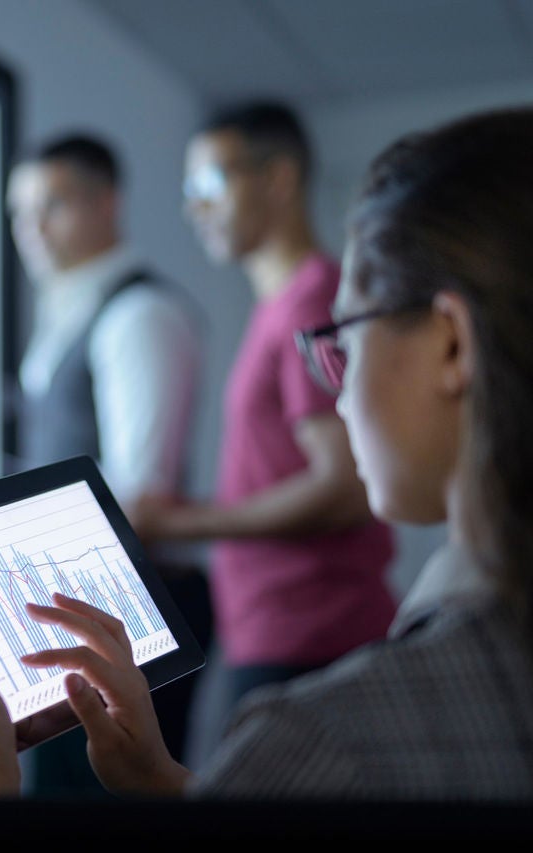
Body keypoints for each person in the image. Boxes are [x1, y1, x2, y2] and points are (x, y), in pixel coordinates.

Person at [0, 103, 533, 800]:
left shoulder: (321, 738)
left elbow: (334, 491)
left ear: (451, 343)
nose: (341, 392)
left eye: (344, 339)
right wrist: (162, 779)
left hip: (297, 622)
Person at [127, 101, 396, 755]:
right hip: (272, 629)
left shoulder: (311, 302)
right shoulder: (283, 305)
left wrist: (174, 522)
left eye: (211, 185)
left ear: (277, 178)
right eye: (189, 192)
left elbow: (344, 487)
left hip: (311, 634)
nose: (196, 209)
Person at [4, 133, 210, 793]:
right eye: (19, 211)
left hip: (129, 617)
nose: (30, 228)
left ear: (106, 204)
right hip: (83, 614)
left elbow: (139, 494)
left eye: (53, 205)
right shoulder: (69, 313)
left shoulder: (140, 313)